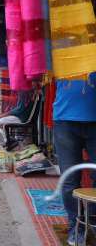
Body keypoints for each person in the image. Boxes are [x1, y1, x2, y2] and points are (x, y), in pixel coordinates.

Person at [51, 73, 96, 246]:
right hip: (65, 119)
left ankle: (91, 220)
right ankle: (75, 227)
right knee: (70, 180)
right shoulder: (59, 46)